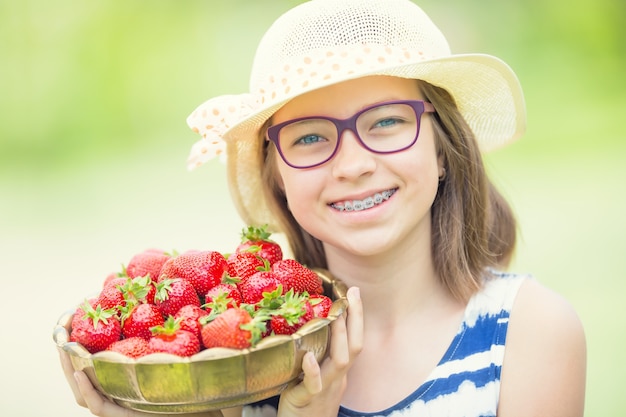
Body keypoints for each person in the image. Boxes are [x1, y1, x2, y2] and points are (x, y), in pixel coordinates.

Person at [59, 0, 587, 416]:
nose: (353, 164)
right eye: (310, 137)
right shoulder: (233, 355)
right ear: (279, 177)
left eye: (386, 121)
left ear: (443, 148)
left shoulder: (530, 333)